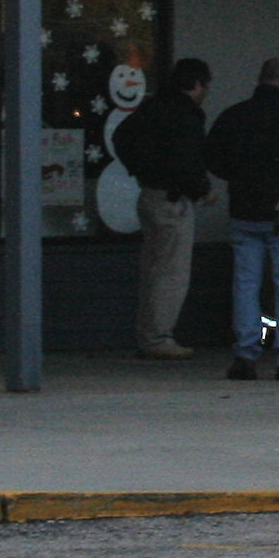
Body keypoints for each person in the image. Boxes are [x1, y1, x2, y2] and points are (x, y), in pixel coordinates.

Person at [206, 57, 279, 381]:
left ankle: (245, 356)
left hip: (244, 212)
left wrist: (239, 176)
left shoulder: (234, 116)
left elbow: (213, 159)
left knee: (245, 285)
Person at [112, 56, 215, 360]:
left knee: (154, 269)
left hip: (150, 195)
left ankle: (149, 334)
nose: (206, 92)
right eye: (205, 86)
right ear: (196, 85)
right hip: (172, 201)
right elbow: (186, 162)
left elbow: (122, 137)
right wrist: (202, 190)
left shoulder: (152, 108)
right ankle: (158, 337)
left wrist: (142, 170)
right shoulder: (185, 116)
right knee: (172, 273)